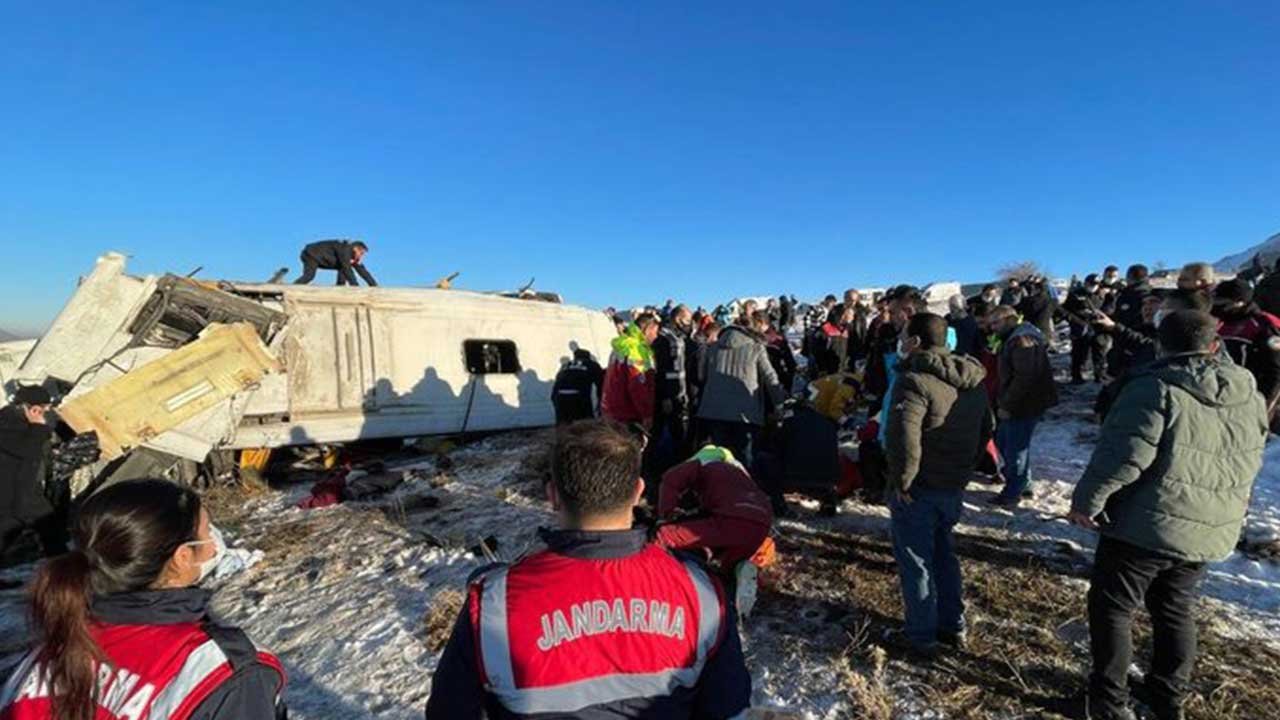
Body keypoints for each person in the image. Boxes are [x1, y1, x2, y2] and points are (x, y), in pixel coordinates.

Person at [424, 421, 751, 719]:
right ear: (638, 492)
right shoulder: (701, 593)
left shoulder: (494, 604)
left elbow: (447, 712)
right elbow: (729, 709)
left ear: (552, 496)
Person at [1068, 310, 1268, 720]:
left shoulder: (1154, 387)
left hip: (1147, 524)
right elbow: (1254, 450)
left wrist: (1087, 503)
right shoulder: (1247, 387)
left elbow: (1124, 457)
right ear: (1216, 345)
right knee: (1175, 609)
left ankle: (1107, 702)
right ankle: (1167, 698)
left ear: (1160, 344)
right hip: (1210, 523)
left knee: (1113, 608)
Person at [0, 479, 287, 719]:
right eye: (206, 530)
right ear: (182, 557)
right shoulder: (224, 670)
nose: (215, 541)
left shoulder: (48, 648)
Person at [884, 313, 993, 659]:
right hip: (952, 483)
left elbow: (905, 438)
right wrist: (965, 469)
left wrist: (902, 480)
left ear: (915, 341)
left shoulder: (914, 380)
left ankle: (921, 635)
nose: (900, 341)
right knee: (944, 553)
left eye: (904, 335)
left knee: (916, 559)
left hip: (920, 485)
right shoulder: (972, 381)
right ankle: (952, 623)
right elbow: (986, 430)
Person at [656, 445, 773, 570]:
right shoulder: (737, 474)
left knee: (662, 537)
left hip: (731, 520)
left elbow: (670, 480)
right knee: (726, 571)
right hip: (762, 526)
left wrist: (666, 513)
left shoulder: (700, 465)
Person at [988, 306, 1058, 506]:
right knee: (1005, 441)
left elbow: (1024, 379)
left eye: (996, 322)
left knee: (1014, 448)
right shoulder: (1014, 337)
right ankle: (1022, 483)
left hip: (1023, 403)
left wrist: (1007, 405)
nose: (993, 328)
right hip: (1021, 400)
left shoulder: (1022, 339)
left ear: (1010, 319)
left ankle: (1013, 491)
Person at [696, 311, 785, 464]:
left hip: (714, 410)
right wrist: (779, 403)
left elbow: (702, 376)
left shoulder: (713, 348)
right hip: (745, 414)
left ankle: (718, 486)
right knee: (743, 459)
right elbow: (770, 377)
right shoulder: (756, 348)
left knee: (718, 458)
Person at [0, 386, 61, 562]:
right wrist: (38, 426)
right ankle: (64, 570)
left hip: (24, 490)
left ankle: (63, 569)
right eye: (42, 409)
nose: (44, 414)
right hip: (9, 493)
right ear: (32, 408)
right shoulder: (5, 424)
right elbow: (28, 450)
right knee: (10, 531)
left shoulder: (18, 422)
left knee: (49, 529)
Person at [1211, 279, 1280, 426]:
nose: (1218, 306)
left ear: (1239, 302)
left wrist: (1266, 408)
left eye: (1223, 302)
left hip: (1253, 395)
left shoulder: (1263, 324)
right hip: (1223, 394)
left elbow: (1276, 369)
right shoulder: (1218, 322)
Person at [651, 306, 695, 472]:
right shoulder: (666, 339)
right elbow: (664, 371)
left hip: (678, 393)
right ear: (678, 318)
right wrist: (666, 397)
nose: (689, 324)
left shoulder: (677, 337)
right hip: (669, 395)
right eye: (687, 320)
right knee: (668, 435)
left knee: (676, 435)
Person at [600, 314, 660, 430]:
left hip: (611, 409)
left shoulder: (622, 344)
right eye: (655, 332)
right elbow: (637, 386)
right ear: (647, 330)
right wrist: (646, 414)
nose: (656, 336)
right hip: (627, 414)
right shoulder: (636, 350)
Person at [1062, 275, 1108, 384]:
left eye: (1096, 284)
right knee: (1079, 353)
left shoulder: (1102, 294)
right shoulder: (1076, 294)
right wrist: (1075, 318)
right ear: (1086, 283)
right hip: (1080, 327)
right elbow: (1065, 310)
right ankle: (1076, 376)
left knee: (1099, 353)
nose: (1093, 287)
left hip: (1098, 327)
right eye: (1091, 284)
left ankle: (1099, 376)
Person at [551, 349, 604, 425]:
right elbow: (601, 384)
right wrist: (600, 404)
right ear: (588, 357)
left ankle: (563, 435)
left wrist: (555, 402)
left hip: (560, 397)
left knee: (564, 426)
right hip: (578, 396)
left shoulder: (566, 365)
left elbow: (557, 384)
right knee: (585, 425)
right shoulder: (592, 364)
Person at [294, 238, 377, 286]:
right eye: (361, 253)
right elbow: (347, 269)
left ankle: (340, 287)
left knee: (343, 268)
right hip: (311, 254)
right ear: (356, 248)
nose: (361, 256)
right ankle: (292, 288)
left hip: (323, 258)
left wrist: (374, 286)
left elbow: (363, 272)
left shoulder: (352, 257)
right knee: (309, 276)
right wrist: (355, 287)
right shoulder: (345, 250)